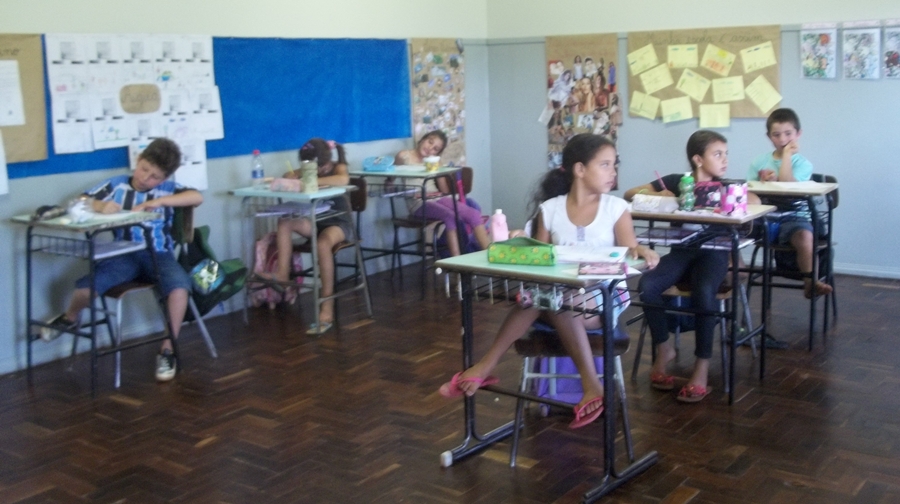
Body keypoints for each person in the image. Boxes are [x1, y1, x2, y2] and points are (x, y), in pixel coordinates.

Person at [438, 134, 659, 428]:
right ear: (580, 169)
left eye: (614, 165)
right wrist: (520, 241)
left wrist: (642, 250)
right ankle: (493, 367)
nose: (613, 172)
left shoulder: (615, 209)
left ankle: (488, 366)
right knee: (542, 295)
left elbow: (631, 249)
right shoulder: (551, 209)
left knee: (553, 300)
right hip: (560, 297)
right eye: (605, 165)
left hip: (604, 298)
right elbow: (539, 261)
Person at [40, 138, 203, 382]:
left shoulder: (168, 189)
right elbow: (81, 200)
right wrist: (99, 205)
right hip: (123, 254)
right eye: (144, 169)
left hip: (158, 254)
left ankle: (167, 350)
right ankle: (69, 318)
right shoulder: (117, 184)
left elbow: (196, 197)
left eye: (155, 177)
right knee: (86, 288)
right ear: (138, 160)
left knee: (180, 288)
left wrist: (157, 201)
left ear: (164, 178)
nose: (146, 178)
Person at [624, 130, 760, 403]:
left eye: (726, 154)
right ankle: (664, 348)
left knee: (704, 290)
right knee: (648, 285)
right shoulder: (679, 181)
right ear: (698, 159)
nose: (725, 160)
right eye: (717, 154)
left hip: (714, 253)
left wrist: (732, 199)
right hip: (682, 252)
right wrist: (659, 195)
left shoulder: (725, 185)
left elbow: (755, 201)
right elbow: (630, 193)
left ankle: (702, 366)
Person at [269, 138, 353, 335]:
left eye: (317, 168)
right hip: (316, 221)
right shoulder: (308, 168)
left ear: (326, 163)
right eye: (307, 166)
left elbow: (343, 180)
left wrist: (311, 181)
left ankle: (327, 305)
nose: (313, 170)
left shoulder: (338, 168)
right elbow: (287, 176)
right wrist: (293, 176)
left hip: (339, 224)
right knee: (285, 222)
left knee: (323, 244)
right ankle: (282, 275)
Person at [747, 108, 832, 300]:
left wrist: (786, 156)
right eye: (776, 135)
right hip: (766, 217)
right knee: (732, 231)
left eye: (788, 133)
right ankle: (734, 274)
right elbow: (748, 192)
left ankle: (810, 282)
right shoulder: (759, 161)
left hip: (795, 218)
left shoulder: (803, 164)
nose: (782, 139)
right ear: (769, 136)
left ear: (798, 134)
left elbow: (788, 186)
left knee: (805, 236)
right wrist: (763, 182)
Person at [394, 130, 491, 256]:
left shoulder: (433, 162)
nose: (430, 148)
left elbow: (444, 191)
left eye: (435, 149)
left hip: (436, 197)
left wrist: (439, 169)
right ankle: (456, 263)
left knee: (474, 214)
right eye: (430, 142)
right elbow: (391, 173)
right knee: (450, 216)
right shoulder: (404, 156)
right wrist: (389, 182)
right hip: (418, 202)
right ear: (422, 140)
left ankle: (492, 256)